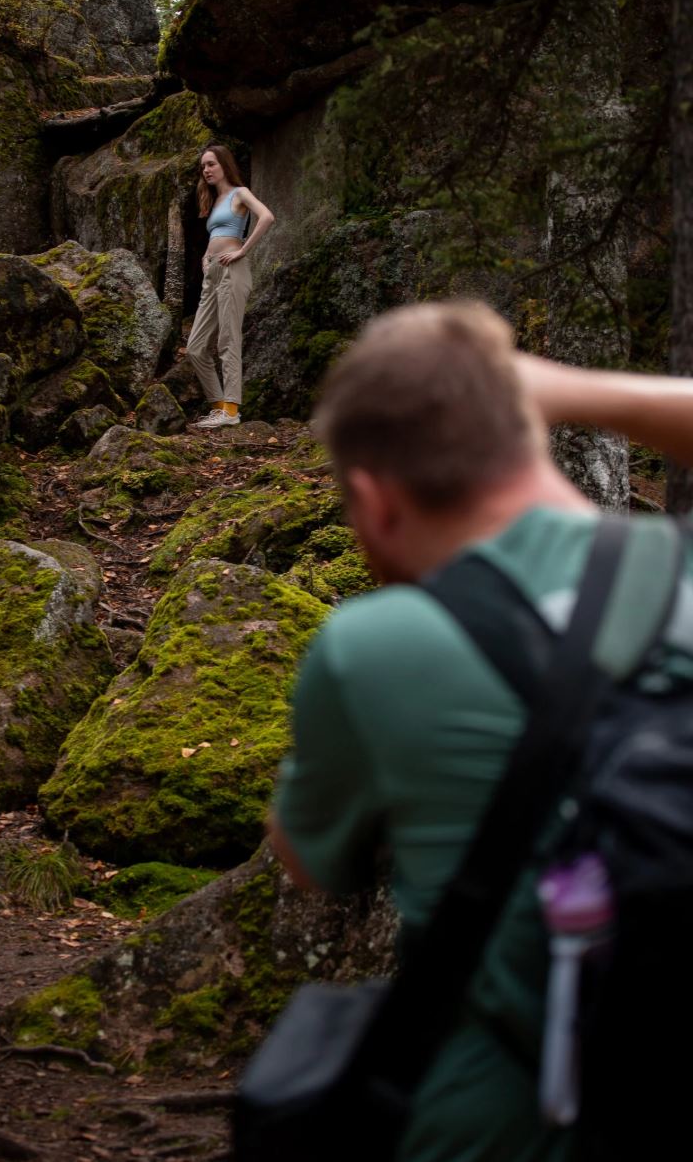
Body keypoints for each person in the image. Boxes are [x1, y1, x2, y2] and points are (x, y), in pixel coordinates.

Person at [269, 299, 693, 1162]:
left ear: (371, 500)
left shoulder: (369, 648)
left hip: (500, 1123)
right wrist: (575, 392)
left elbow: (309, 862)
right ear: (532, 433)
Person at [186, 144, 274, 429]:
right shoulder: (214, 199)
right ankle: (219, 406)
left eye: (211, 164)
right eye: (203, 167)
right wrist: (205, 257)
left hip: (232, 270)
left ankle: (232, 409)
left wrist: (243, 250)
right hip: (212, 271)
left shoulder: (239, 193)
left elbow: (267, 216)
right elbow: (218, 233)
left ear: (224, 164)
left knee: (228, 339)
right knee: (196, 348)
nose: (206, 170)